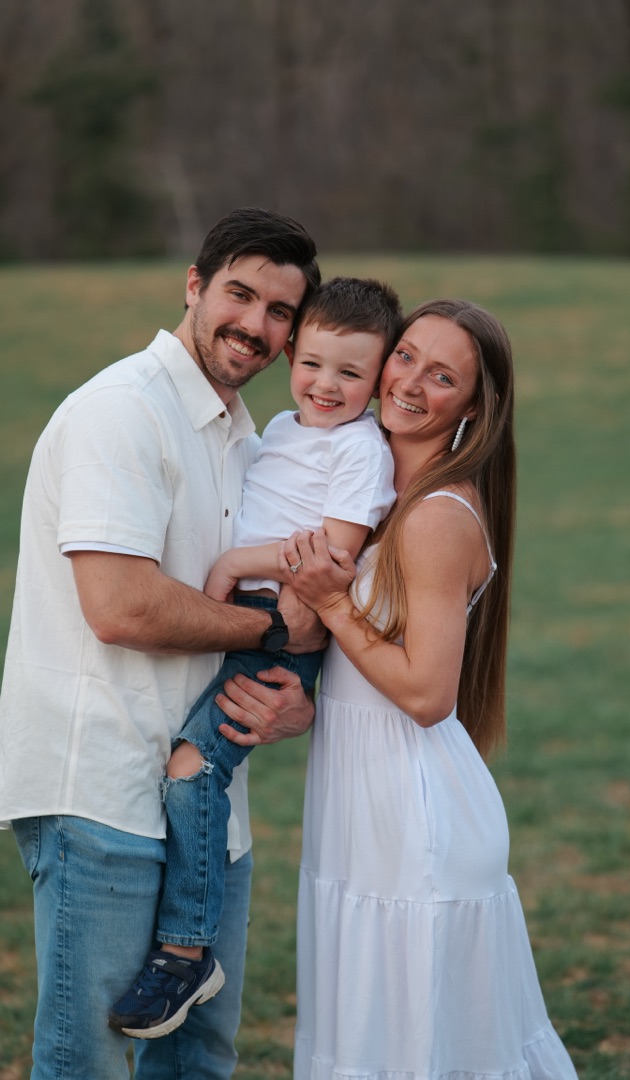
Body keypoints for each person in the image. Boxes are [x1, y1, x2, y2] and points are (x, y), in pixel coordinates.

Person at [0, 207, 327, 1080]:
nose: (255, 325)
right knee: (89, 1060)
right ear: (193, 286)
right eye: (240, 294)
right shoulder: (122, 412)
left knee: (198, 1057)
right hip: (100, 788)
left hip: (208, 805)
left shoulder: (250, 442)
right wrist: (270, 627)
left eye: (281, 313)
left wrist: (296, 695)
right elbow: (120, 607)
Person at [221, 299, 579, 1078]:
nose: (410, 382)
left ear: (475, 407)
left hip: (415, 822)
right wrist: (307, 707)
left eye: (443, 375)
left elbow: (425, 695)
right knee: (368, 1040)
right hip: (359, 806)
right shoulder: (376, 494)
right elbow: (369, 671)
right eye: (407, 355)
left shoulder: (437, 518)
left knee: (416, 1050)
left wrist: (330, 602)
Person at [108, 275, 400, 1040]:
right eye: (312, 363)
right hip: (251, 611)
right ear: (294, 354)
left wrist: (237, 568)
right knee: (185, 766)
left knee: (193, 765)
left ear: (377, 381)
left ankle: (184, 951)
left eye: (351, 373)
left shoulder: (360, 449)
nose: (325, 385)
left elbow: (332, 556)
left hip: (280, 618)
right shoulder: (278, 425)